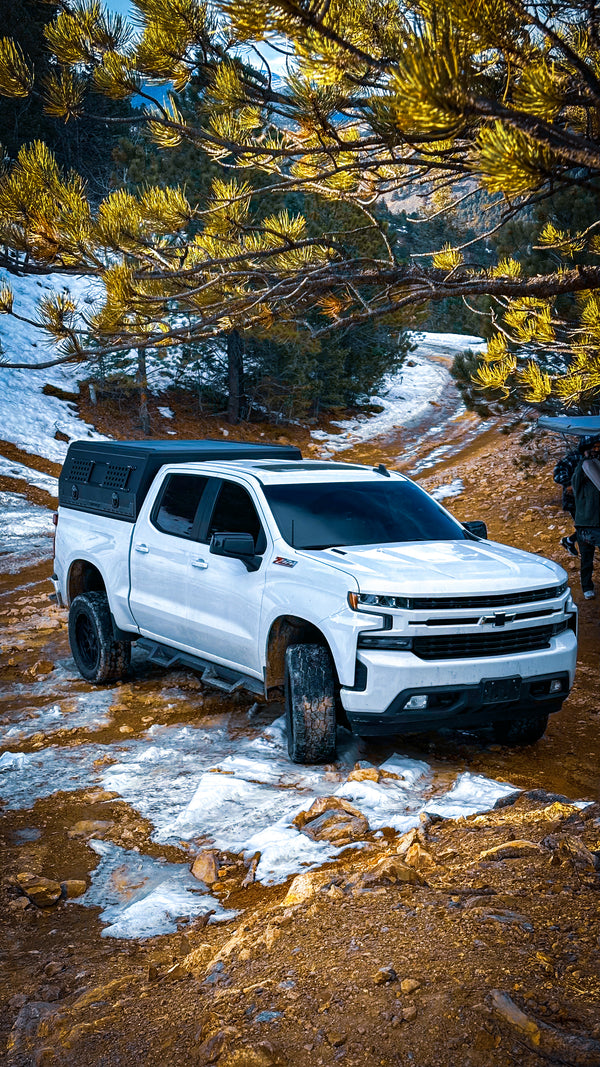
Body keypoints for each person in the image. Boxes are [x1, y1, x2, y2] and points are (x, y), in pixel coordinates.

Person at [571, 436, 600, 599]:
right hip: (586, 522)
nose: (596, 451)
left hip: (595, 521)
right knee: (587, 558)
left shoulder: (595, 466)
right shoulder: (583, 468)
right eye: (593, 448)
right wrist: (585, 462)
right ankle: (587, 587)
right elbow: (575, 485)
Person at [554, 444, 581, 556]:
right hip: (574, 501)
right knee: (585, 527)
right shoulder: (574, 457)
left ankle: (569, 541)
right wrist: (568, 484)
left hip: (591, 500)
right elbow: (558, 471)